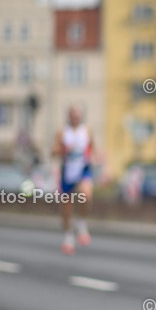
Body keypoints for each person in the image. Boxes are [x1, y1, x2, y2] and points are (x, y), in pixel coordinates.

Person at [51, 106, 94, 255]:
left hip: (83, 168)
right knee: (66, 207)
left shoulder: (86, 130)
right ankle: (68, 236)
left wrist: (97, 159)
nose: (76, 118)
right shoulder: (62, 132)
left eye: (78, 115)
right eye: (73, 115)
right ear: (69, 117)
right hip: (68, 171)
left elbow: (92, 147)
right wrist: (64, 150)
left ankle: (81, 223)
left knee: (86, 195)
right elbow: (53, 151)